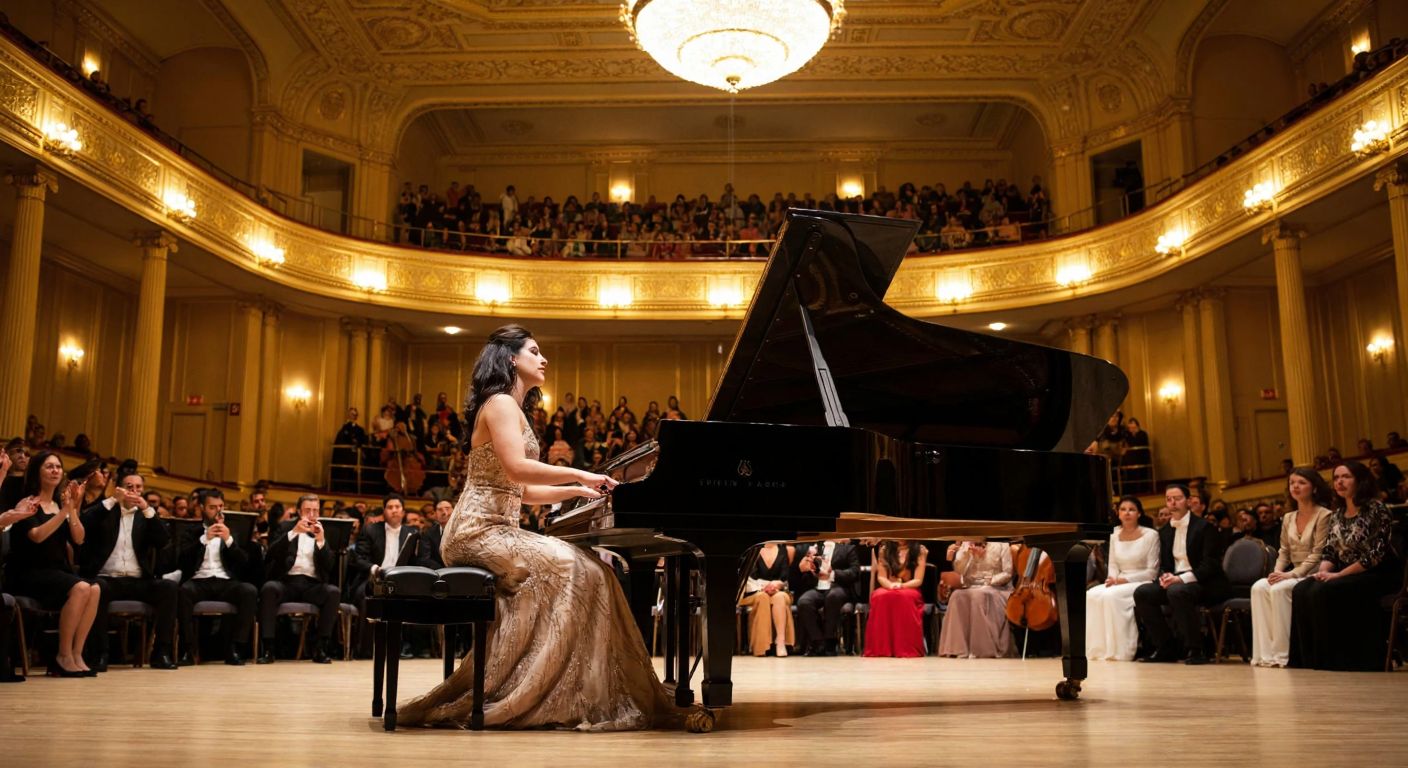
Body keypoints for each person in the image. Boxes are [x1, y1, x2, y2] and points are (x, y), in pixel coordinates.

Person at [397, 324, 679, 730]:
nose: (542, 358)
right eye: (534, 351)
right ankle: (529, 690)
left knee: (593, 570)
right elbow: (517, 468)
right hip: (476, 529)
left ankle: (568, 687)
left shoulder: (513, 410)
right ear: (512, 358)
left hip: (499, 527)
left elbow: (523, 490)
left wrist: (577, 492)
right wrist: (580, 476)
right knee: (575, 569)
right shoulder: (498, 404)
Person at [1289, 462, 1399, 671]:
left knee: (1327, 590)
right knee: (1302, 589)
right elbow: (1330, 549)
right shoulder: (1338, 513)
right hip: (1346, 572)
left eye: (1345, 477)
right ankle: (1308, 660)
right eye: (1336, 477)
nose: (1339, 482)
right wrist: (1324, 571)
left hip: (1378, 572)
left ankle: (1336, 659)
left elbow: (1374, 555)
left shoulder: (1376, 509)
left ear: (1360, 480)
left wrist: (1339, 575)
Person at [3, 451, 100, 676]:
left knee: (94, 589)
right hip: (29, 573)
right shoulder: (28, 502)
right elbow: (37, 536)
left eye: (58, 466)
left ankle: (76, 653)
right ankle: (62, 655)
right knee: (82, 587)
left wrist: (72, 509)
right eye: (49, 466)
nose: (55, 470)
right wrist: (65, 511)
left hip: (56, 572)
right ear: (37, 471)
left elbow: (79, 538)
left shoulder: (60, 504)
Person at [78, 468, 179, 670]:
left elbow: (163, 540)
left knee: (169, 588)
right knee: (98, 589)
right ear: (119, 489)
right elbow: (85, 523)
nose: (133, 491)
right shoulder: (105, 511)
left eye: (138, 487)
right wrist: (112, 501)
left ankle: (161, 653)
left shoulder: (146, 516)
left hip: (138, 580)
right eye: (128, 487)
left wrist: (147, 510)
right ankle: (99, 654)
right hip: (107, 578)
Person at [1132, 484, 1227, 664]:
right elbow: (1166, 564)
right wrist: (1166, 576)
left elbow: (1210, 565)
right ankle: (1166, 646)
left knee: (1177, 591)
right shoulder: (1165, 531)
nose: (1173, 503)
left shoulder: (1205, 527)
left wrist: (1181, 578)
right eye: (1169, 499)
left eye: (1177, 498)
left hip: (1205, 582)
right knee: (1142, 593)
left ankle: (1196, 649)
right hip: (1176, 581)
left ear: (1189, 501)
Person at [1249, 469, 1332, 668]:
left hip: (1312, 572)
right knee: (1259, 587)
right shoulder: (1288, 517)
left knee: (1280, 588)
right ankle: (1264, 655)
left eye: (1301, 482)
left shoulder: (1325, 515)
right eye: (1292, 482)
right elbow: (1284, 550)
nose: (1295, 486)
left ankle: (1283, 654)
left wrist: (1290, 575)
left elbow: (1318, 553)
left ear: (1314, 487)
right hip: (1290, 571)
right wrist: (1276, 572)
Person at [177, 488, 258, 665]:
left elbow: (245, 563)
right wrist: (204, 539)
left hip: (225, 582)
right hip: (199, 581)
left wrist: (229, 540)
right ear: (202, 508)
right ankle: (187, 650)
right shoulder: (190, 532)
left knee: (249, 591)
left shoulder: (234, 532)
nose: (218, 511)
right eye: (212, 507)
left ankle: (236, 649)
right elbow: (181, 560)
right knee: (183, 592)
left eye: (221, 506)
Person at [256, 495, 340, 664]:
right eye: (308, 510)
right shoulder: (285, 527)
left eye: (315, 510)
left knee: (333, 592)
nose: (311, 514)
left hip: (312, 585)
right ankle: (268, 649)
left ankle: (321, 649)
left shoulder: (324, 530)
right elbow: (271, 554)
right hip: (287, 583)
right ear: (299, 511)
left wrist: (321, 541)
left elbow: (330, 566)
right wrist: (294, 533)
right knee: (269, 588)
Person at [1085, 496, 1160, 661]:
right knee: (1092, 595)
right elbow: (1112, 564)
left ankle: (1121, 650)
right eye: (1123, 509)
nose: (1127, 513)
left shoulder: (1151, 535)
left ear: (1139, 513)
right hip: (1118, 580)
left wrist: (1122, 581)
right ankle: (1099, 649)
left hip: (1140, 581)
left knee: (1111, 597)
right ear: (1118, 513)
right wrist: (1112, 578)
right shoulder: (1114, 534)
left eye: (1132, 509)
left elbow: (1151, 572)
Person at [937, 539, 1014, 658]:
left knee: (979, 595)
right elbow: (959, 570)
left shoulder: (1001, 545)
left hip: (997, 588)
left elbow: (1007, 573)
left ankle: (982, 649)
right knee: (957, 595)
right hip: (972, 586)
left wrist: (989, 581)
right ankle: (958, 648)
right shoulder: (966, 545)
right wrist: (967, 555)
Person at [794, 539, 862, 656]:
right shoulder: (815, 549)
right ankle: (818, 642)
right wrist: (809, 570)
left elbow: (854, 572)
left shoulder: (848, 549)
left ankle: (830, 641)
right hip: (818, 588)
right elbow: (805, 577)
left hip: (839, 587)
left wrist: (832, 574)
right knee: (804, 601)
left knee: (832, 596)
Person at [864, 540, 928, 658]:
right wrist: (890, 585)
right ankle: (880, 648)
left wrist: (902, 586)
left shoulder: (919, 550)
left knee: (904, 597)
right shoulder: (884, 550)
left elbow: (918, 580)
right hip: (889, 587)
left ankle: (906, 648)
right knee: (879, 596)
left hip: (910, 587)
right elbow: (881, 577)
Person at [737, 542, 794, 657]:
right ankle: (761, 647)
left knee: (780, 597)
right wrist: (767, 586)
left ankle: (780, 642)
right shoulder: (752, 549)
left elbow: (785, 577)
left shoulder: (786, 550)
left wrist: (777, 585)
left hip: (778, 591)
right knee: (762, 597)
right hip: (753, 591)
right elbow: (749, 578)